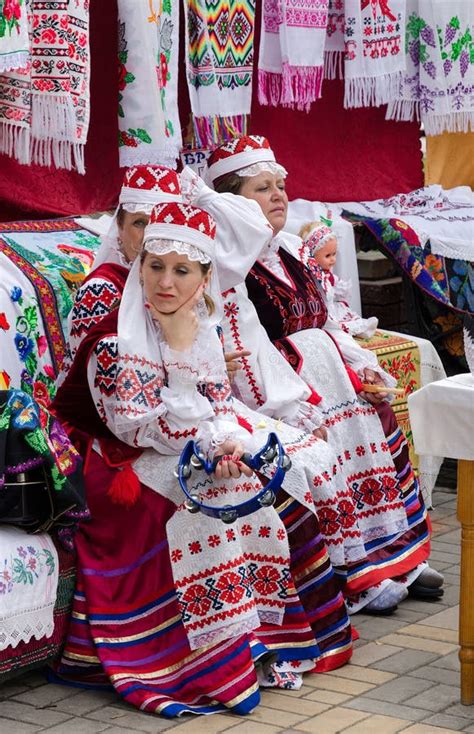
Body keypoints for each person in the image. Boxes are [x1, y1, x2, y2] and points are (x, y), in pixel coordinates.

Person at [50, 202, 354, 716]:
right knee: (213, 503)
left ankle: (258, 641)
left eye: (181, 270)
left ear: (204, 277)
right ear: (139, 267)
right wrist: (205, 435)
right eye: (155, 266)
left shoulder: (199, 327)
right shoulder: (117, 343)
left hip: (175, 451)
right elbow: (142, 427)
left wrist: (225, 447)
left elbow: (216, 409)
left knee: (265, 488)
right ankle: (200, 660)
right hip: (116, 464)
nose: (165, 282)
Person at [183, 135, 444, 606]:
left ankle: (398, 559)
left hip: (330, 379)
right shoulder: (228, 271)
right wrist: (292, 407)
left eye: (280, 185)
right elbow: (244, 353)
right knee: (328, 445)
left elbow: (326, 318)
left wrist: (358, 366)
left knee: (378, 424)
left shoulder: (290, 250)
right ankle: (355, 574)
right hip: (285, 390)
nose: (280, 195)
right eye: (263, 188)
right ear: (230, 205)